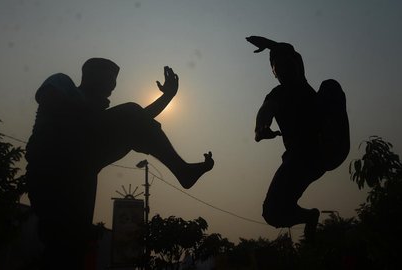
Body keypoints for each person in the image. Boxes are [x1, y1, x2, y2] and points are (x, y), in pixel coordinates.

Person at [25, 58, 214, 269]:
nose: (110, 90)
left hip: (81, 171)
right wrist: (91, 110)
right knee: (59, 238)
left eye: (112, 85)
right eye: (107, 83)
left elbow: (138, 121)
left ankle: (182, 171)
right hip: (51, 164)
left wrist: (167, 96)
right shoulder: (63, 83)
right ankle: (182, 170)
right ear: (89, 77)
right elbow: (51, 99)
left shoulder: (96, 119)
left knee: (72, 246)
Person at [246, 36, 349, 242]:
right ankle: (309, 216)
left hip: (321, 148)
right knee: (272, 212)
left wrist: (270, 45)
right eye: (278, 67)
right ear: (275, 73)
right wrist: (261, 129)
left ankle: (329, 142)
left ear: (297, 65)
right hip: (299, 160)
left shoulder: (303, 85)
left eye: (288, 63)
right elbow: (265, 110)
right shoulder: (276, 94)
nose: (284, 69)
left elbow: (291, 55)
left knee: (330, 85)